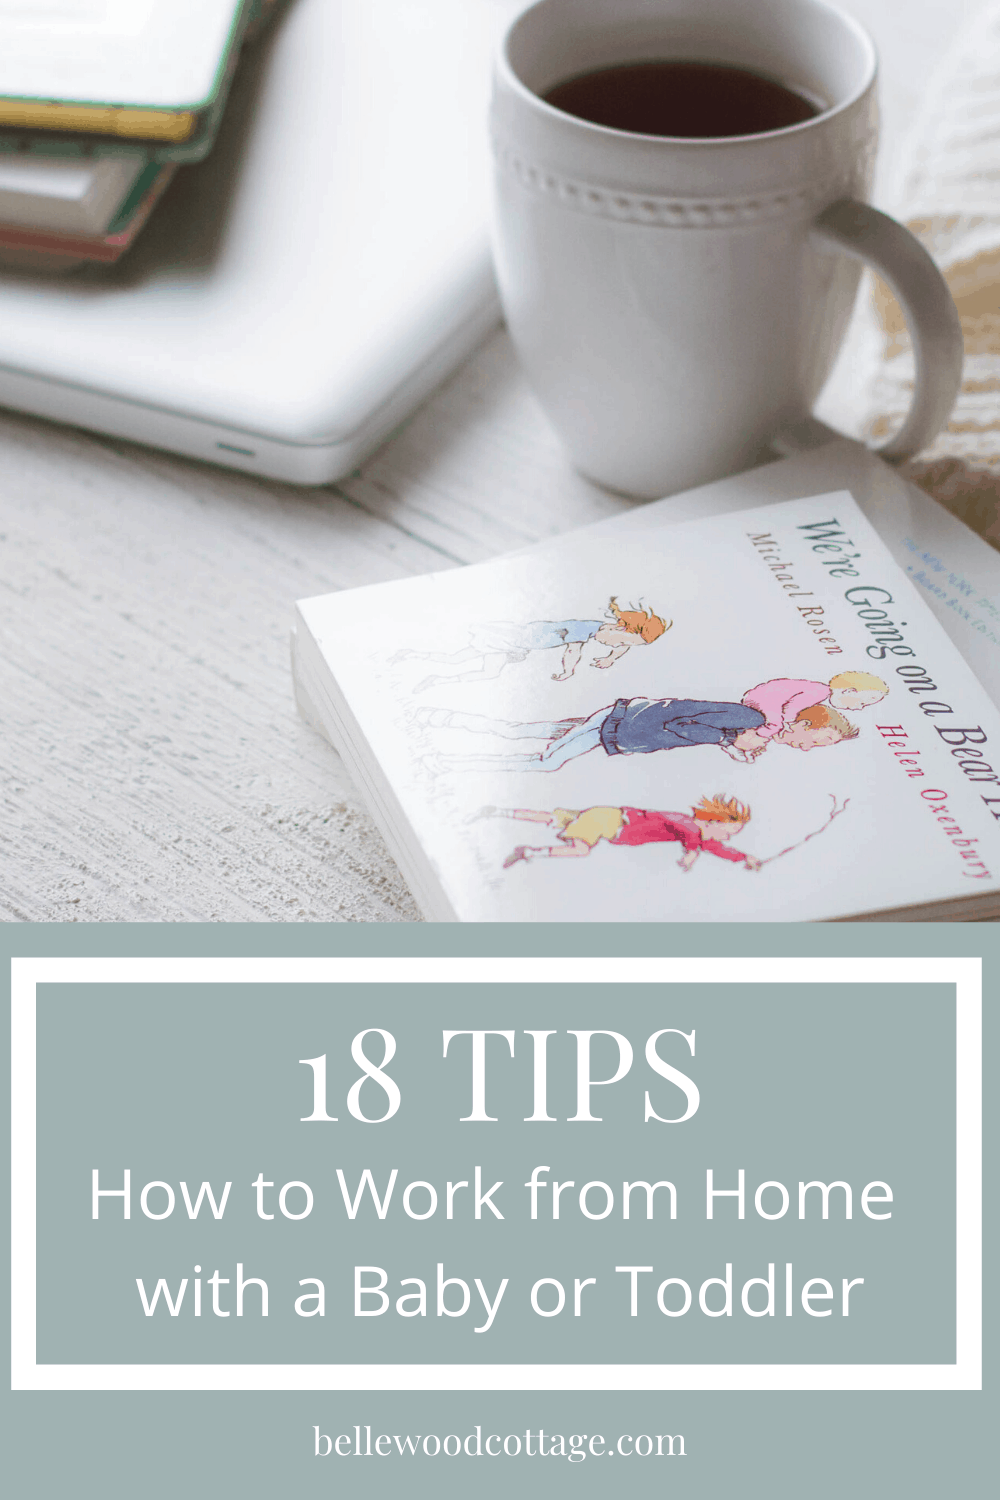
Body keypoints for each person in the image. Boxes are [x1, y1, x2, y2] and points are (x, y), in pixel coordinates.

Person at [415, 695, 857, 773]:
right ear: (804, 723)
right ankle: (455, 762)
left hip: (620, 722)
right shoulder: (749, 720)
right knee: (546, 761)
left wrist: (731, 746)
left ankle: (443, 721)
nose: (805, 748)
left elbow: (694, 726)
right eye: (814, 740)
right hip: (620, 725)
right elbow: (683, 720)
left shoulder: (751, 727)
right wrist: (727, 742)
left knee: (529, 731)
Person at [390, 597, 670, 692]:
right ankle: (418, 661)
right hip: (509, 639)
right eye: (627, 639)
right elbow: (572, 651)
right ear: (619, 627)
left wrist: (611, 658)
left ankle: (424, 668)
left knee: (471, 665)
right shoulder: (584, 630)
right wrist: (569, 672)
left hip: (518, 643)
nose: (625, 645)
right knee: (469, 664)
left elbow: (624, 646)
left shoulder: (614, 636)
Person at [481, 795, 761, 872]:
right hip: (609, 821)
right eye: (730, 830)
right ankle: (528, 852)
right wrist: (690, 855)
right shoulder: (686, 823)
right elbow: (687, 835)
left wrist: (743, 858)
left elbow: (716, 848)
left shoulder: (698, 837)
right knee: (580, 849)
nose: (730, 837)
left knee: (552, 819)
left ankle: (497, 812)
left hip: (606, 819)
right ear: (715, 821)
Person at [741, 670, 887, 743]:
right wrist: (788, 722)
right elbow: (792, 707)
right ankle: (753, 738)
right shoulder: (820, 692)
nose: (859, 708)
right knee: (775, 725)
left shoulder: (819, 690)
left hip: (764, 698)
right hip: (765, 700)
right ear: (849, 691)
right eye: (861, 702)